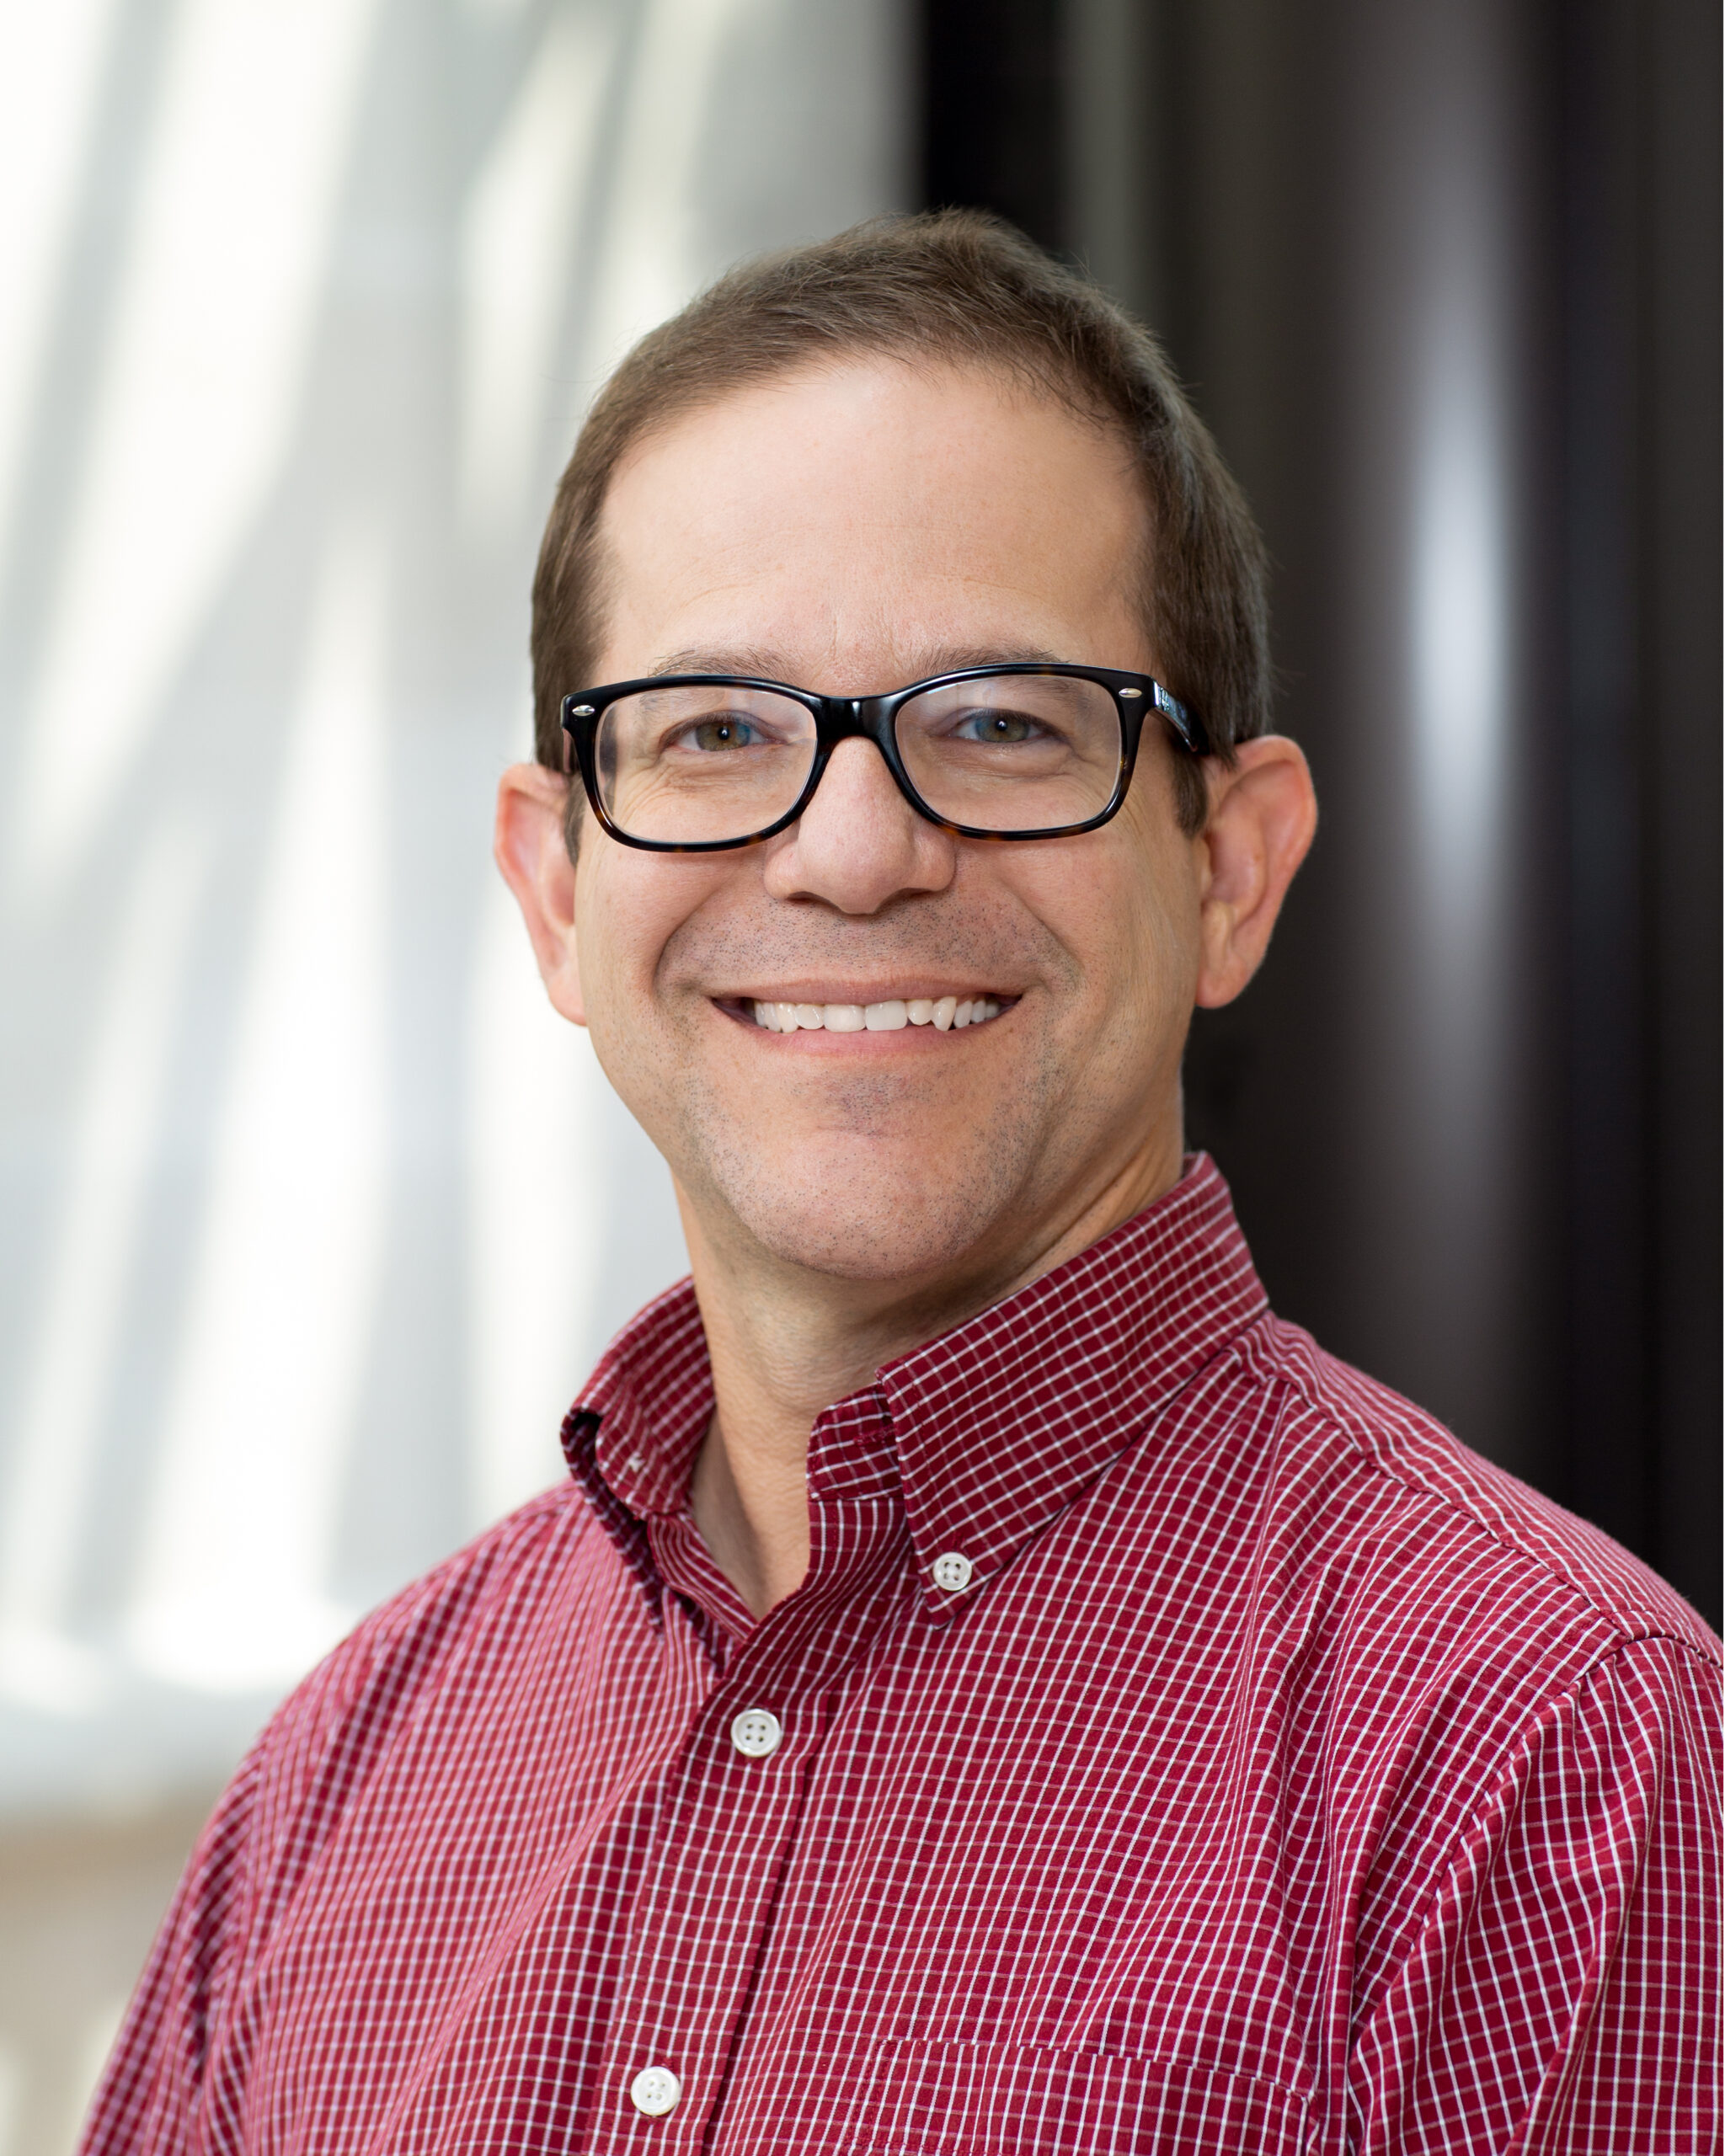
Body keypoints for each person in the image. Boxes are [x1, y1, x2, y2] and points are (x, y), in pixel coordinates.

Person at [83, 214, 1716, 2156]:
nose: (853, 851)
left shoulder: (1556, 1761)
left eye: (1001, 723)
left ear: (1229, 867)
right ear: (554, 886)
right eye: (711, 731)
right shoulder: (346, 1771)